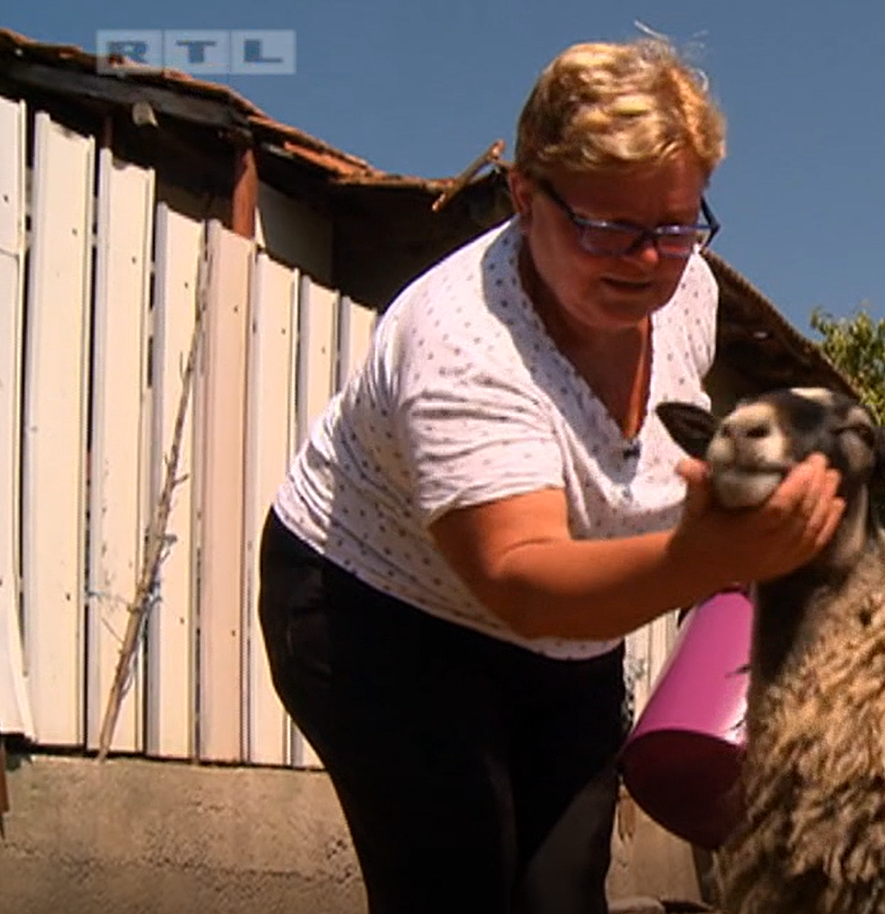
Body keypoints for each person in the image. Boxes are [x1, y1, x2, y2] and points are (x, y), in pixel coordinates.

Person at [255, 35, 845, 914]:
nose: (648, 260)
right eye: (610, 228)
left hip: (569, 637)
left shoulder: (689, 294)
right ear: (526, 195)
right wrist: (709, 553)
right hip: (377, 618)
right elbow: (521, 580)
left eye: (676, 226)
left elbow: (641, 473)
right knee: (456, 883)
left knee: (560, 894)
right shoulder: (464, 346)